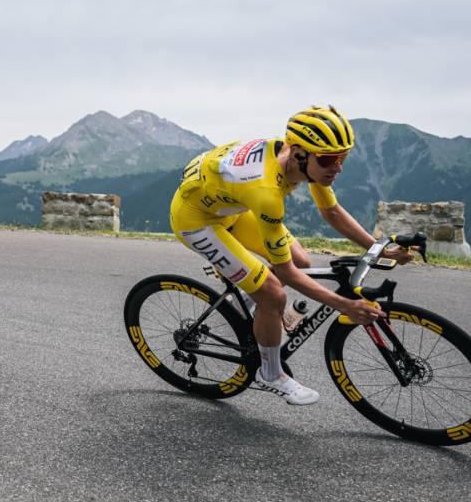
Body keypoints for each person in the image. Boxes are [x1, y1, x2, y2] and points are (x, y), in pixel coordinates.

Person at [169, 104, 415, 405]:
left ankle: (246, 305)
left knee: (302, 261)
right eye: (329, 159)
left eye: (343, 158)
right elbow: (285, 274)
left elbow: (332, 212)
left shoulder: (301, 161)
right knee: (274, 295)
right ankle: (270, 373)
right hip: (196, 221)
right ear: (299, 154)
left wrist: (380, 249)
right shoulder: (266, 191)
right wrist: (346, 305)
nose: (337, 167)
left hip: (230, 207)